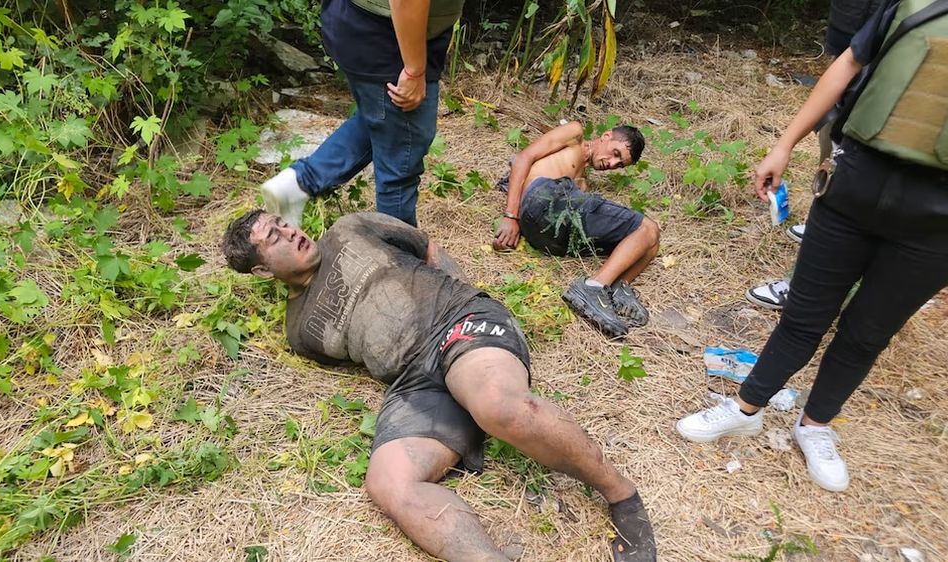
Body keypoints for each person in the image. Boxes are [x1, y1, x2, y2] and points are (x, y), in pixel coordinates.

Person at [221, 209, 658, 561]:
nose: (289, 231)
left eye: (282, 222)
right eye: (273, 237)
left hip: (459, 323)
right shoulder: (298, 332)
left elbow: (429, 249)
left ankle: (622, 497)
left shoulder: (348, 228)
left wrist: (463, 293)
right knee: (387, 482)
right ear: (261, 271)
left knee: (497, 404)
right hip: (413, 382)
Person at [677, 0, 948, 492]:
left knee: (867, 332)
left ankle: (815, 425)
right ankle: (746, 407)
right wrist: (785, 143)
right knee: (803, 315)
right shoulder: (917, 4)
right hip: (857, 184)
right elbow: (849, 64)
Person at [260, 0, 464, 228]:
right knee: (401, 156)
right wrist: (414, 70)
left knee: (383, 120)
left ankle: (298, 183)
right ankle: (398, 256)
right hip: (390, 36)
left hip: (372, 26)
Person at [746, 0, 881, 310]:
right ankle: (802, 285)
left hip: (912, 156)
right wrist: (784, 145)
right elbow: (848, 61)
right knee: (833, 192)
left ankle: (825, 290)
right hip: (853, 109)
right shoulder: (897, 10)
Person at [492, 122, 660, 339]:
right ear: (606, 135)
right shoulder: (575, 134)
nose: (612, 163)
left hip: (547, 233)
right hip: (544, 199)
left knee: (650, 242)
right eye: (615, 153)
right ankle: (593, 287)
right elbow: (524, 158)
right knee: (647, 228)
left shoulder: (580, 182)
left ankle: (618, 288)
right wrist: (510, 216)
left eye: (619, 164)